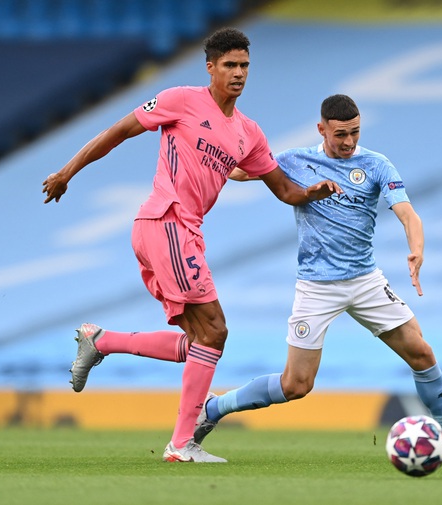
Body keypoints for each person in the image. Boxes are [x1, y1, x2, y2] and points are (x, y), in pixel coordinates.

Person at [41, 28, 341, 464]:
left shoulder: (248, 133)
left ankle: (102, 341)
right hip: (165, 220)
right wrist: (67, 172)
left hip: (182, 231)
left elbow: (284, 189)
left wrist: (313, 191)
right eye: (230, 66)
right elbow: (119, 130)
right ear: (211, 68)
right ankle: (181, 444)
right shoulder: (181, 99)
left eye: (244, 66)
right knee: (215, 332)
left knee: (200, 341)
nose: (238, 74)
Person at [193, 94, 442, 462]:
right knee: (296, 384)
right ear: (321, 129)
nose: (349, 142)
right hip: (316, 286)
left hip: (365, 281)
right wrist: (205, 156)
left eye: (355, 132)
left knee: (421, 353)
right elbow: (241, 170)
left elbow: (407, 213)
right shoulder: (295, 161)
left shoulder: (376, 164)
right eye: (340, 134)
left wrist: (416, 248)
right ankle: (212, 409)